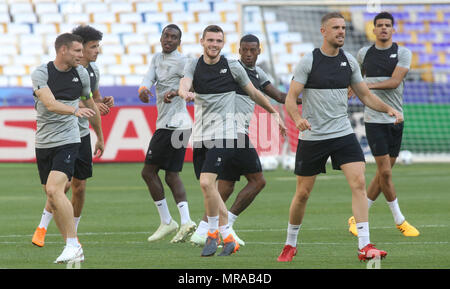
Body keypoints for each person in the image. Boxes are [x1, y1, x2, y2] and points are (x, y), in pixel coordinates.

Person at [278, 12, 403, 262]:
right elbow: (290, 99)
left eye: (344, 28)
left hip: (342, 134)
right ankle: (290, 243)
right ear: (323, 31)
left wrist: (388, 108)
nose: (341, 32)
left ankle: (364, 245)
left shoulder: (349, 61)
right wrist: (297, 119)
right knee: (302, 193)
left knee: (358, 182)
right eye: (335, 28)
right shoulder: (308, 61)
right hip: (312, 137)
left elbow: (365, 95)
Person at [178, 25, 286, 257]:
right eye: (211, 40)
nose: (214, 44)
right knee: (213, 187)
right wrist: (182, 92)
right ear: (202, 41)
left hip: (227, 134)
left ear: (223, 44)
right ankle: (224, 234)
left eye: (218, 41)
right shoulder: (193, 64)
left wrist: (274, 113)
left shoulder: (233, 66)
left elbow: (256, 93)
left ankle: (213, 233)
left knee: (209, 183)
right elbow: (185, 83)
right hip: (201, 136)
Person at [31, 25, 112, 248]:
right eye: (92, 47)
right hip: (48, 138)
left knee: (76, 187)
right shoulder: (44, 72)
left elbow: (91, 101)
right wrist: (76, 108)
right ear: (73, 49)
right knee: (57, 189)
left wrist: (100, 134)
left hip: (77, 135)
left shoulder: (88, 72)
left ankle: (71, 239)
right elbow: (51, 102)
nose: (96, 51)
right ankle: (51, 230)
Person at [347, 12, 419, 237]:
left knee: (382, 173)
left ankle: (357, 216)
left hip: (396, 118)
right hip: (374, 119)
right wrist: (355, 89)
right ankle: (400, 220)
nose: (384, 28)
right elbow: (355, 78)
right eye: (380, 25)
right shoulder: (363, 53)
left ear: (393, 29)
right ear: (374, 29)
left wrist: (364, 87)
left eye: (388, 25)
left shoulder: (403, 53)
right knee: (385, 173)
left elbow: (395, 81)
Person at [138, 24, 196, 244]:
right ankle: (186, 221)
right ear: (161, 37)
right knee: (171, 175)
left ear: (179, 42)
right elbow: (147, 80)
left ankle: (167, 221)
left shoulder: (184, 62)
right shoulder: (157, 59)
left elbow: (194, 87)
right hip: (176, 125)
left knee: (148, 172)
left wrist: (178, 92)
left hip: (173, 125)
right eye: (166, 36)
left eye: (174, 37)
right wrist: (143, 90)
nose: (169, 40)